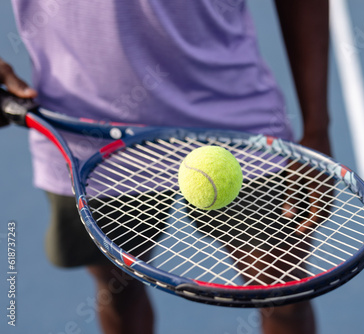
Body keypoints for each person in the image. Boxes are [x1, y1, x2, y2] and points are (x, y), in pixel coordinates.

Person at [0, 1, 331, 333]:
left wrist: (316, 127)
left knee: (285, 298)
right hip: (82, 124)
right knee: (119, 293)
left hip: (230, 110)